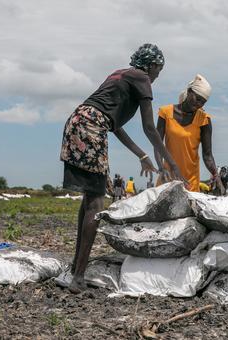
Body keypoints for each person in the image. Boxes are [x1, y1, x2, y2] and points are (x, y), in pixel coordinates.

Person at [59, 43, 183, 293]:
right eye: (159, 69)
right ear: (151, 66)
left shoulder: (120, 75)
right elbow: (150, 127)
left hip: (77, 122)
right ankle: (78, 279)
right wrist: (171, 162)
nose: (158, 75)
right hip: (91, 127)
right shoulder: (142, 78)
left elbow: (114, 124)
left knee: (89, 199)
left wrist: (143, 155)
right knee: (96, 204)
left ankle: (76, 269)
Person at [154, 74, 224, 193]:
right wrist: (161, 168)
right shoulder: (166, 113)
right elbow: (158, 145)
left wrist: (216, 175)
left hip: (190, 181)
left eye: (203, 102)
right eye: (197, 99)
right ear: (189, 91)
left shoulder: (204, 120)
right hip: (167, 177)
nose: (199, 104)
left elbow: (207, 155)